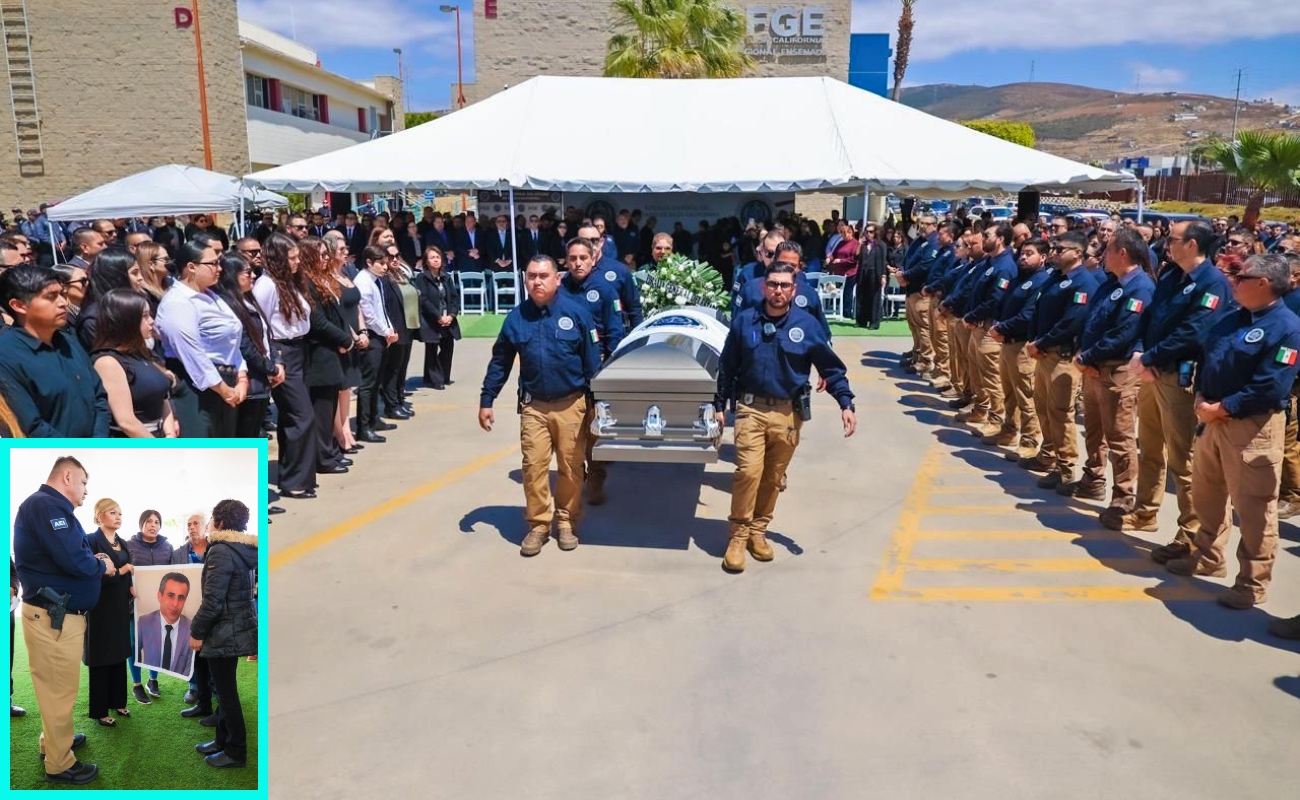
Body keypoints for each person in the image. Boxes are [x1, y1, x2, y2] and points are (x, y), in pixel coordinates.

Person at [1165, 253, 1300, 609]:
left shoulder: (1288, 327)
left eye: (1241, 277)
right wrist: (1201, 397)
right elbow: (1208, 358)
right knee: (1207, 494)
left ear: (1264, 284)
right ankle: (1208, 556)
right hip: (1212, 418)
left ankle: (1252, 583)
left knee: (1254, 508)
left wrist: (1222, 408)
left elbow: (1270, 385)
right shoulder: (1233, 317)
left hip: (1252, 426)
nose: (1234, 281)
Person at [715, 258, 857, 572]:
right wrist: (718, 405)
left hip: (788, 414)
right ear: (763, 287)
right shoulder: (745, 321)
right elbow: (727, 366)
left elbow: (831, 368)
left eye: (784, 285)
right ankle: (738, 536)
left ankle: (758, 531)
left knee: (773, 477)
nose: (778, 290)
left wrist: (846, 403)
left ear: (794, 290)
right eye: (773, 284)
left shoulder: (807, 325)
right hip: (751, 408)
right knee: (748, 472)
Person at [479, 255, 601, 556]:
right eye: (531, 276)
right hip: (534, 407)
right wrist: (487, 399)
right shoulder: (516, 318)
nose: (537, 281)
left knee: (571, 469)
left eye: (543, 275)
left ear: (557, 279)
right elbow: (500, 362)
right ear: (525, 280)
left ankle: (566, 521)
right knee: (533, 468)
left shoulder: (577, 314)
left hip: (572, 404)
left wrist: (597, 404)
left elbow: (592, 363)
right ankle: (539, 524)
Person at [1128, 220, 1230, 549]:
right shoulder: (1173, 276)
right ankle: (1145, 511)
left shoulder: (1213, 283)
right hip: (1153, 371)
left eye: (1172, 239)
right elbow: (1148, 317)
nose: (1165, 245)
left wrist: (1150, 357)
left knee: (1183, 459)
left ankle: (1191, 533)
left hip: (1180, 377)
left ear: (1191, 244)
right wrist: (1142, 353)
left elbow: (1194, 332)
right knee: (1150, 448)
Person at [14, 456, 109, 784]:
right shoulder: (46, 506)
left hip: (54, 616)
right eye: (83, 482)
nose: (86, 490)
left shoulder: (49, 507)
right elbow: (74, 559)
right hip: (53, 618)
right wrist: (101, 565)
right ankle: (59, 763)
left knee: (55, 689)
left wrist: (91, 559)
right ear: (67, 477)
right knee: (58, 691)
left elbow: (68, 554)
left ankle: (55, 742)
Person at [1071, 228, 1157, 518]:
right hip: (1094, 366)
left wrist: (1088, 356)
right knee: (1094, 430)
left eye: (1107, 249)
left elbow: (1124, 332)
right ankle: (1093, 478)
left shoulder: (1140, 287)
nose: (1102, 255)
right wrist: (1083, 352)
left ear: (1122, 253)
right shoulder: (1112, 284)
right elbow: (1092, 320)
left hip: (1118, 370)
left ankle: (1123, 496)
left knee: (1119, 436)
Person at [1024, 231, 1103, 487]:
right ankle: (1049, 455)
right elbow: (1038, 310)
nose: (1054, 253)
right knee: (1044, 409)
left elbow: (1072, 322)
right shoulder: (1056, 277)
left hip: (1062, 356)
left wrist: (1041, 342)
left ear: (1078, 253)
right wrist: (1034, 340)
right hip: (1044, 352)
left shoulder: (1084, 283)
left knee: (1060, 413)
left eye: (1060, 250)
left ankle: (1066, 469)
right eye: (1054, 249)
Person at [0, 265, 110, 437]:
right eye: (51, 297)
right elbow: (31, 426)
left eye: (62, 294)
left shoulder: (68, 340)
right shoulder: (6, 356)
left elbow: (99, 397)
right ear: (19, 305)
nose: (63, 303)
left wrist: (98, 442)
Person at [191, 499, 258, 768]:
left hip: (223, 632)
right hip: (234, 629)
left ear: (218, 522)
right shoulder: (240, 548)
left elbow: (213, 602)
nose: (207, 524)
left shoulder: (220, 550)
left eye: (210, 519)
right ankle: (222, 741)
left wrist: (196, 631)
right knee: (224, 691)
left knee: (227, 695)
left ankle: (235, 751)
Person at [155, 241, 247, 437]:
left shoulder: (213, 296)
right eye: (213, 264)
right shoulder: (177, 302)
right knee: (201, 448)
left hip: (225, 382)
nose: (219, 268)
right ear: (191, 267)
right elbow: (191, 352)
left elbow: (232, 341)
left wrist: (241, 377)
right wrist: (223, 390)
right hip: (195, 386)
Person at [254, 233, 319, 498]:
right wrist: (272, 360)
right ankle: (294, 480)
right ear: (278, 259)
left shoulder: (290, 281)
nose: (296, 261)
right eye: (291, 257)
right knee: (302, 416)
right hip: (282, 351)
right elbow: (260, 325)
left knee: (293, 417)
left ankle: (295, 474)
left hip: (299, 349)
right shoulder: (267, 285)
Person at [987, 239, 1054, 456]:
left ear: (1043, 257)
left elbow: (1028, 315)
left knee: (1026, 396)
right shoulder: (1019, 279)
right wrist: (997, 324)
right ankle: (1008, 431)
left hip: (1022, 345)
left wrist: (1002, 327)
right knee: (1009, 393)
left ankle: (1029, 440)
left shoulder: (1042, 281)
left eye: (1029, 253)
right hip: (1007, 343)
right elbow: (1002, 304)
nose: (1023, 257)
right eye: (1022, 253)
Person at [302, 236, 358, 471]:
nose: (326, 258)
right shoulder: (307, 283)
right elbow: (318, 321)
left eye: (327, 254)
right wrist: (344, 339)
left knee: (330, 404)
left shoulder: (323, 279)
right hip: (320, 352)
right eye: (322, 255)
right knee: (322, 408)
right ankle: (323, 457)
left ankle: (330, 450)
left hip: (333, 350)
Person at [213, 252, 283, 440]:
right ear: (231, 275)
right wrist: (271, 369)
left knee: (251, 439)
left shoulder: (248, 299)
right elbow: (245, 347)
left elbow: (266, 335)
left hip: (260, 380)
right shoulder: (226, 305)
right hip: (248, 383)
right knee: (244, 440)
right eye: (247, 272)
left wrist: (277, 361)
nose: (253, 275)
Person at [91, 289, 178, 438]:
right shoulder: (108, 362)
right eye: (144, 316)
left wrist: (169, 433)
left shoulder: (144, 353)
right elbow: (126, 422)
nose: (151, 321)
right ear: (126, 321)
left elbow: (163, 398)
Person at [83, 498, 135, 727]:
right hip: (100, 607)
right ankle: (100, 711)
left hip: (120, 606)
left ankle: (118, 702)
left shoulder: (122, 542)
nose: (118, 517)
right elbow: (90, 572)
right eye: (112, 512)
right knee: (101, 657)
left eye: (120, 513)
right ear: (99, 515)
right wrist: (121, 571)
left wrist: (131, 585)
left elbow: (128, 572)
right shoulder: (90, 540)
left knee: (119, 654)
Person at [123, 508, 173, 703]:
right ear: (141, 524)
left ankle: (153, 680)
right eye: (149, 521)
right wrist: (129, 586)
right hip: (134, 604)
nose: (153, 525)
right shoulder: (129, 545)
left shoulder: (167, 547)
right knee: (134, 643)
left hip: (158, 604)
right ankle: (137, 684)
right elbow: (124, 572)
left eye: (156, 522)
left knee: (155, 643)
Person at [355, 245, 399, 442]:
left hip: (380, 335)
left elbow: (381, 310)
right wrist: (386, 332)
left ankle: (373, 419)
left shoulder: (376, 281)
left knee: (376, 381)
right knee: (368, 384)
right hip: (372, 336)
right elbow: (369, 315)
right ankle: (363, 427)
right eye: (381, 263)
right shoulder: (363, 282)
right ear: (369, 262)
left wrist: (389, 329)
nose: (385, 267)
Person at [323, 231, 362, 454]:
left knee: (347, 387)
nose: (346, 252)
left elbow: (357, 306)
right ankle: (338, 432)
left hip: (354, 337)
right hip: (341, 337)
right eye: (341, 249)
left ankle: (346, 428)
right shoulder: (327, 278)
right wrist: (351, 336)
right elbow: (336, 312)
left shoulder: (347, 271)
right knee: (337, 388)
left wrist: (362, 331)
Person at [74, 247, 146, 352]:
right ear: (116, 276)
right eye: (135, 273)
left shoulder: (132, 305)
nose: (140, 278)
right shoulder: (94, 320)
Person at [379, 245, 418, 419]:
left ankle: (399, 400)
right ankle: (391, 405)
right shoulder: (384, 278)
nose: (394, 259)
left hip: (407, 326)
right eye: (390, 256)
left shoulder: (401, 274)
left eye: (397, 255)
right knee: (393, 369)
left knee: (402, 367)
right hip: (394, 328)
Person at [413, 245, 460, 390]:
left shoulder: (446, 277)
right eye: (432, 258)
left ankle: (442, 375)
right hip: (431, 320)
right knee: (432, 350)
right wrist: (438, 316)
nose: (435, 260)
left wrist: (451, 315)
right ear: (426, 261)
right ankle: (435, 379)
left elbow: (454, 298)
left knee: (447, 348)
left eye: (438, 257)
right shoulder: (421, 278)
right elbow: (423, 300)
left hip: (447, 318)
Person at [137, 572, 194, 675]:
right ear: (160, 596)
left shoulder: (192, 629)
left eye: (181, 598)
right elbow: (134, 658)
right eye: (171, 595)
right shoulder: (143, 623)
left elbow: (189, 670)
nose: (175, 604)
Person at [857, 222, 887, 329]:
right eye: (867, 232)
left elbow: (883, 261)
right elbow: (856, 256)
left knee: (874, 297)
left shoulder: (880, 245)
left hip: (875, 273)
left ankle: (874, 322)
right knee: (862, 296)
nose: (868, 234)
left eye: (871, 232)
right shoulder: (863, 245)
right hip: (863, 273)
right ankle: (862, 320)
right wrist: (859, 244)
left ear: (875, 233)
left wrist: (883, 276)